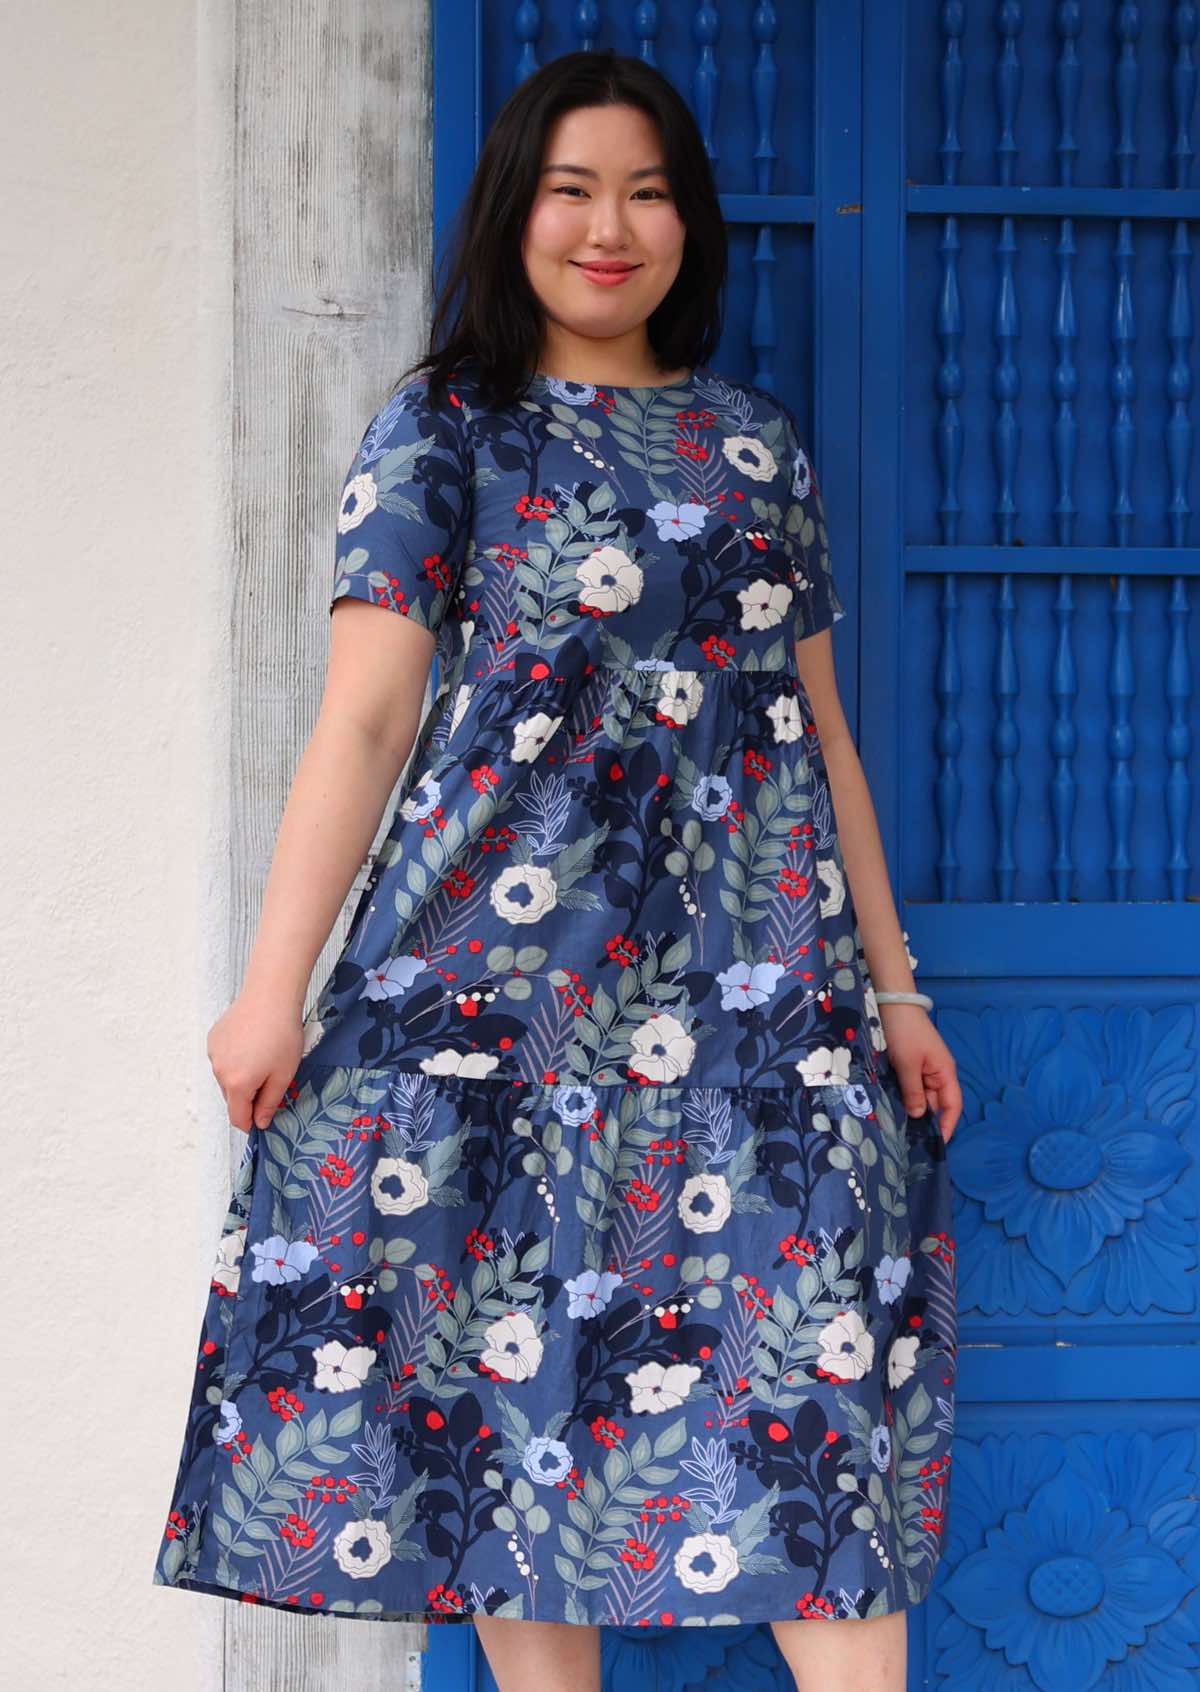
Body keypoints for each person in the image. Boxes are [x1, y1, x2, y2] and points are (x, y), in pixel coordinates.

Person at [153, 47, 962, 1692]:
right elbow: (367, 725)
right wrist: (268, 998)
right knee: (520, 1427)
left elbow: (821, 738)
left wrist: (893, 986)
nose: (613, 227)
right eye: (574, 189)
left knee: (819, 1408)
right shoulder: (444, 427)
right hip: (495, 1000)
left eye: (649, 191)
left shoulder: (755, 449)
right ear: (514, 211)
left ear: (690, 223)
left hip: (762, 1004)